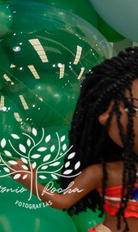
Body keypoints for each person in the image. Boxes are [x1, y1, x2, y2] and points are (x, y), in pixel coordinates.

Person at [11, 47, 138, 232]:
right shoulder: (102, 173)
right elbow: (62, 201)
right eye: (132, 110)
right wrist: (29, 181)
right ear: (106, 119)